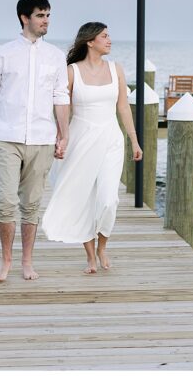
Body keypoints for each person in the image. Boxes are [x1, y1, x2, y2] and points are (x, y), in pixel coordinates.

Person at [0, 0, 70, 282]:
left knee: (31, 203)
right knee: (4, 201)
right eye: (41, 15)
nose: (46, 21)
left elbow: (60, 97)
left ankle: (27, 261)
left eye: (48, 15)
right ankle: (6, 260)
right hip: (7, 137)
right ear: (24, 18)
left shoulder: (55, 56)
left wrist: (64, 135)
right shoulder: (2, 53)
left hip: (42, 138)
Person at [42, 22, 142, 274]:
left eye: (109, 35)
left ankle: (102, 246)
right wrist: (60, 137)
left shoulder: (115, 69)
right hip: (81, 140)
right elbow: (61, 106)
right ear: (90, 41)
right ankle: (89, 255)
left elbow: (123, 107)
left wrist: (134, 140)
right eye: (104, 36)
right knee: (82, 197)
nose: (109, 40)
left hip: (111, 139)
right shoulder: (71, 71)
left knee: (109, 199)